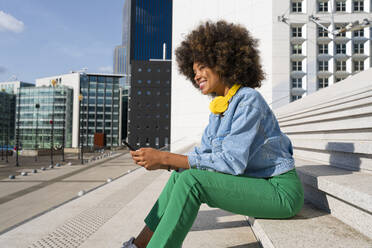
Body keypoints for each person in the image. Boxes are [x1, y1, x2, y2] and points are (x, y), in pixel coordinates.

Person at [121, 20, 304, 248]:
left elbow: (231, 162)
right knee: (181, 176)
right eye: (193, 71)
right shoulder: (219, 110)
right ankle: (137, 246)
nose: (196, 75)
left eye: (201, 67)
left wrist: (165, 158)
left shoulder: (248, 100)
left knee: (191, 181)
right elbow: (201, 155)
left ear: (222, 61)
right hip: (257, 184)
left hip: (280, 192)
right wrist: (164, 162)